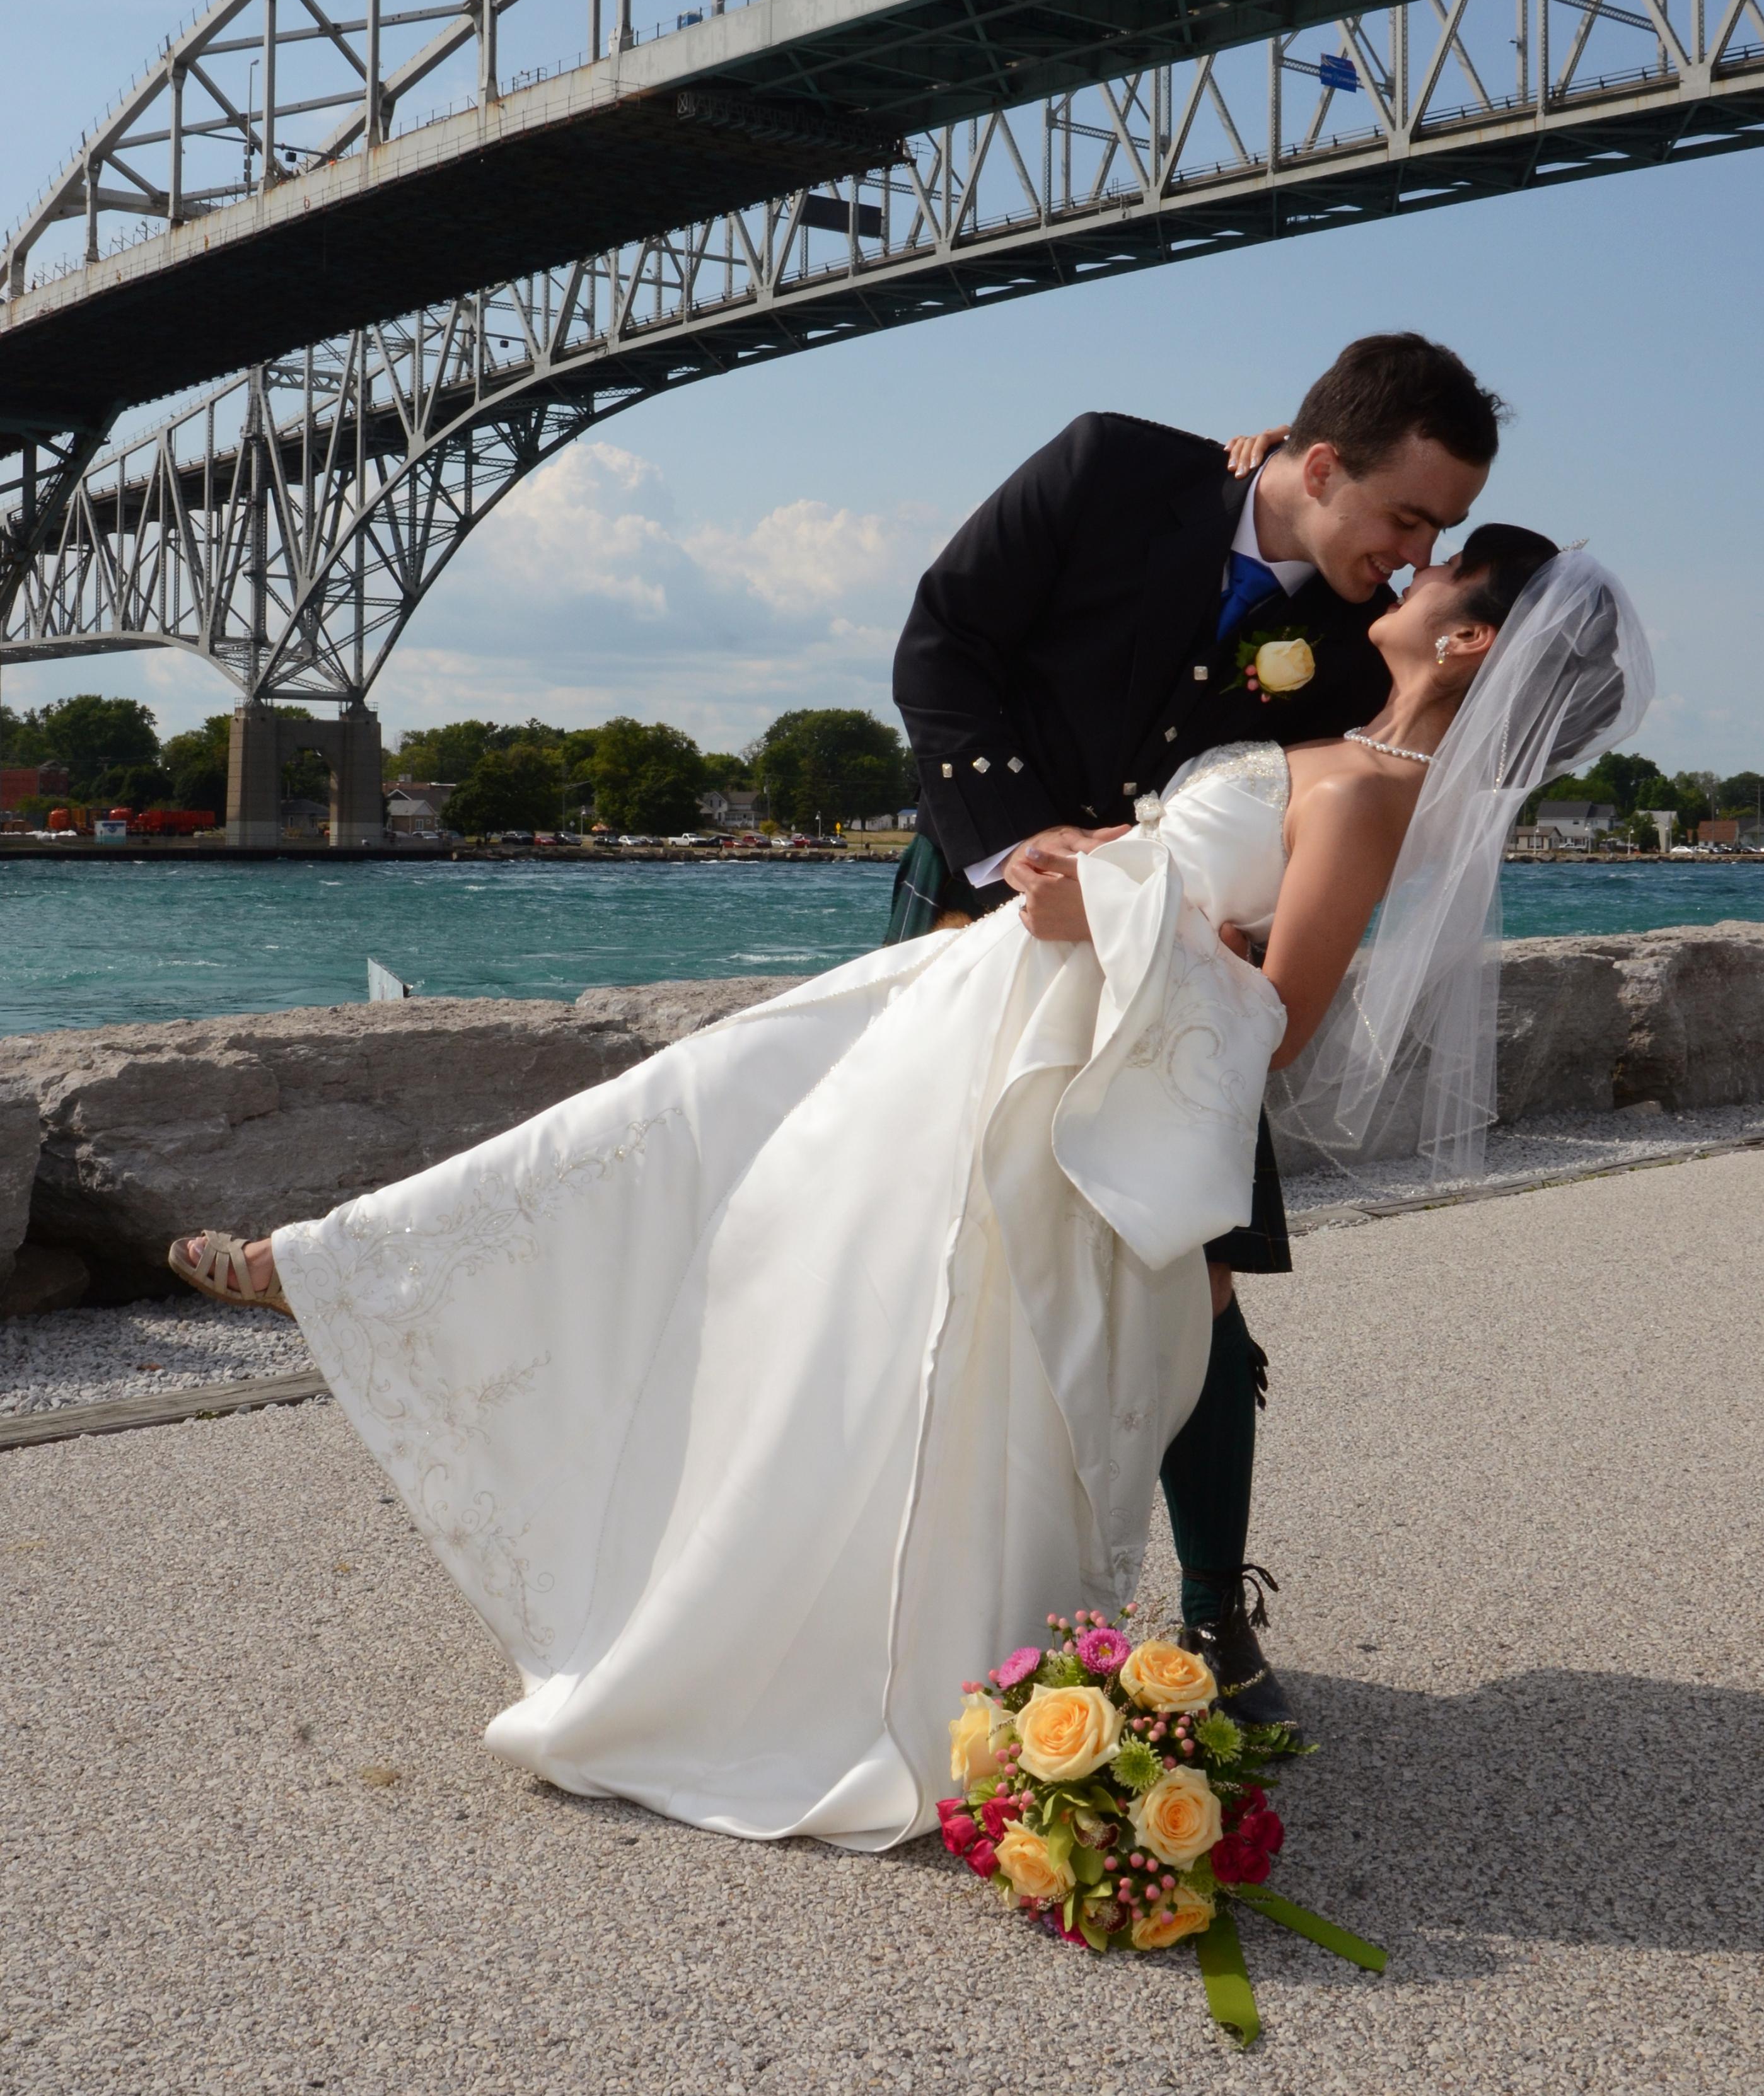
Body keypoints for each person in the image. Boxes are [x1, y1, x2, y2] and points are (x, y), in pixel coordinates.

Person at [168, 530, 1649, 1854]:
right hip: (987, 989)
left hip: (1047, 1053)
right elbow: (1193, 878)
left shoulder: (1376, 794)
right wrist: (1101, 868)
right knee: (708, 1124)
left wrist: (1113, 912)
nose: (1413, 566)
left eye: (1443, 565)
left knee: (845, 1265)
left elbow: (1279, 1015)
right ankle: (358, 1263)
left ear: (1466, 638)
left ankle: (847, 1635)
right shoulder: (1339, 734)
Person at [889, 333, 1501, 1720]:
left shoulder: (1371, 647)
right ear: (1320, 463)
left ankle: (1216, 1611)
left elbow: (1312, 833)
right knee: (928, 1230)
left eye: (1441, 532)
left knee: (1196, 1266)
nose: (1415, 554)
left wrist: (1217, 945)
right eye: (1406, 514)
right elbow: (945, 637)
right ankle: (915, 1577)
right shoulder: (1110, 467)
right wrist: (1010, 841)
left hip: (1176, 975)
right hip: (981, 890)